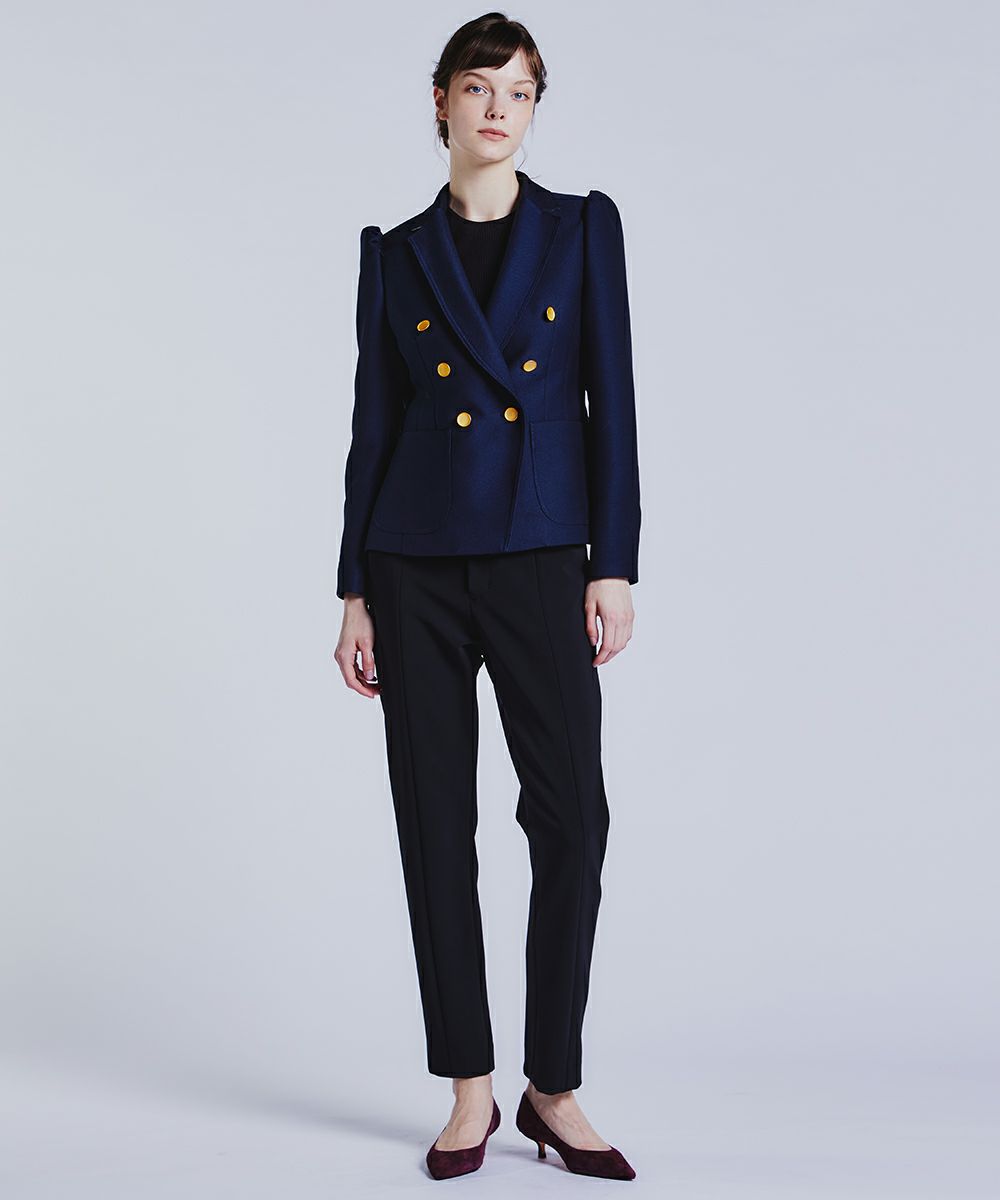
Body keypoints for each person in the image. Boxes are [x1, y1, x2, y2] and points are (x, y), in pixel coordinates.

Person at [334, 12, 640, 1182]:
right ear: (441, 102)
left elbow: (611, 399)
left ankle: (550, 1086)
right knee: (433, 825)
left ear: (533, 109)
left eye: (519, 91)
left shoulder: (581, 228)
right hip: (412, 563)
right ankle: (469, 1088)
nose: (498, 108)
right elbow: (372, 428)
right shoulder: (394, 251)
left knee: (572, 818)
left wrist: (612, 560)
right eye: (478, 87)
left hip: (540, 553)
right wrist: (354, 588)